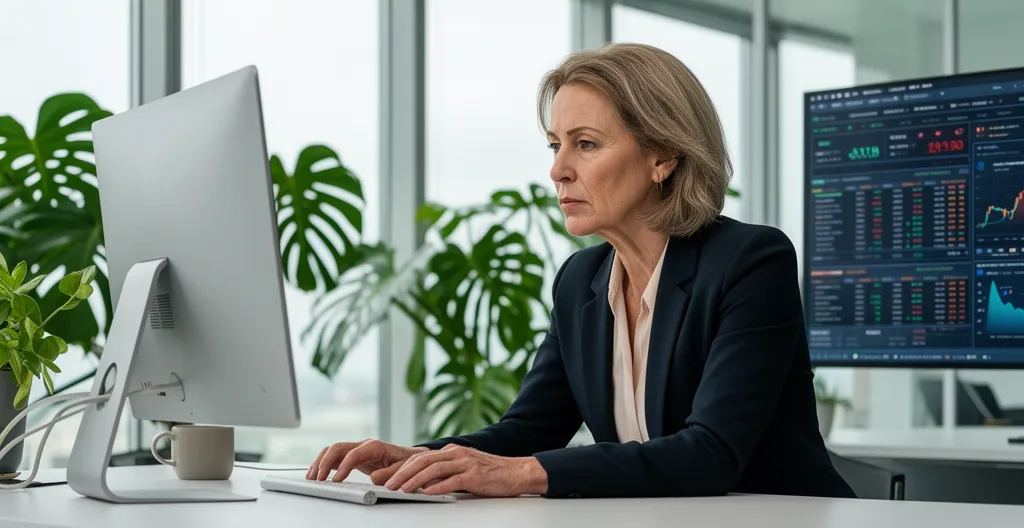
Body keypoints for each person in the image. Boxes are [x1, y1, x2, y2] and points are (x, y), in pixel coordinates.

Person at [306, 42, 855, 500]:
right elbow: (528, 431)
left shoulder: (750, 262)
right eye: (554, 145)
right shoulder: (579, 282)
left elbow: (711, 454)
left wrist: (522, 474)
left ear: (663, 156)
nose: (558, 170)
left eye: (585, 145)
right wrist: (422, 457)